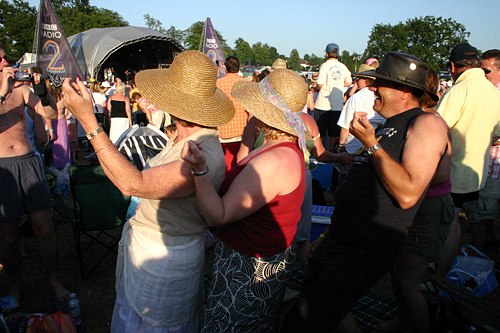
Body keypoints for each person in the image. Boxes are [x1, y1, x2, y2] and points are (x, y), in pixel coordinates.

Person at [62, 50, 234, 333]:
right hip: (155, 252)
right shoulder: (185, 137)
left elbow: (134, 184)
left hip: (165, 260)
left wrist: (89, 122)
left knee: (154, 326)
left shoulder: (202, 152)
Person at [282, 52, 449, 332]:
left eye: (380, 83)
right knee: (319, 304)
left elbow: (408, 194)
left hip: (365, 245)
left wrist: (371, 144)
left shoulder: (426, 124)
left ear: (405, 92)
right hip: (342, 237)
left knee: (305, 319)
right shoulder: (389, 126)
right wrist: (325, 237)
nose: (372, 88)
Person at [182, 69, 307, 332]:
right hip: (257, 257)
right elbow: (245, 179)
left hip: (248, 266)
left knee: (231, 325)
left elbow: (218, 215)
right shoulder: (279, 146)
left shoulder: (274, 161)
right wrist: (248, 140)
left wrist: (200, 171)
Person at [375, 69, 453, 333]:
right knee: (398, 275)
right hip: (414, 209)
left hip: (426, 209)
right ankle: (404, 321)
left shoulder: (429, 123)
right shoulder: (409, 120)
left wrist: (387, 161)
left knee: (407, 280)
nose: (375, 88)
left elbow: (439, 174)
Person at [0, 43, 69, 310]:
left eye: (5, 58)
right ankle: (15, 285)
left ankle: (54, 280)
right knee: (7, 235)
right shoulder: (7, 90)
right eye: (1, 60)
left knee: (44, 228)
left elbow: (50, 113)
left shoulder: (20, 90)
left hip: (29, 162)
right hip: (3, 169)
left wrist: (42, 90)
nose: (6, 63)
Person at [437, 43, 500, 265]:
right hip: (478, 173)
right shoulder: (492, 91)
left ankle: (442, 269)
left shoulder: (459, 91)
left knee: (448, 222)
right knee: (463, 220)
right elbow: (497, 132)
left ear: (453, 67)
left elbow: (435, 128)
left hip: (453, 173)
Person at [337, 63, 385, 155]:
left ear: (366, 80)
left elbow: (345, 126)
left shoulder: (356, 98)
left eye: (358, 79)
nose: (356, 81)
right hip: (375, 147)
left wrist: (340, 145)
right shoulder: (381, 97)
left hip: (353, 147)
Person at [313, 43, 352, 151]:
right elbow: (349, 82)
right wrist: (338, 85)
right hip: (337, 104)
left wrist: (314, 88)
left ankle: (320, 151)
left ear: (326, 53)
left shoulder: (324, 66)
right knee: (333, 132)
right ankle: (331, 151)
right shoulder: (343, 67)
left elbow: (320, 84)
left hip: (323, 104)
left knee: (320, 131)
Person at [216, 55, 248, 173]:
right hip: (243, 132)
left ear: (225, 67)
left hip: (222, 132)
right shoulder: (245, 84)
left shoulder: (217, 84)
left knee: (225, 169)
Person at [47, 78, 71, 170]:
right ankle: (64, 165)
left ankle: (53, 166)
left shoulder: (48, 99)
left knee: (52, 146)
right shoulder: (63, 98)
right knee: (63, 144)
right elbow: (67, 114)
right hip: (61, 122)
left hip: (49, 123)